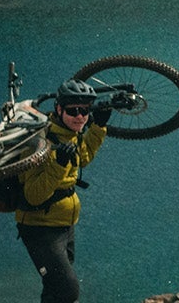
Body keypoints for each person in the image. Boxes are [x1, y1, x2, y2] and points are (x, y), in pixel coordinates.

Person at [15, 79, 110, 303]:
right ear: (58, 109)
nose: (80, 117)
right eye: (73, 111)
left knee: (55, 290)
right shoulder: (38, 141)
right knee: (68, 291)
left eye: (85, 111)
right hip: (40, 229)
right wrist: (58, 165)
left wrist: (98, 128)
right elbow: (33, 195)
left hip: (65, 224)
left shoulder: (69, 133)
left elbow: (82, 158)